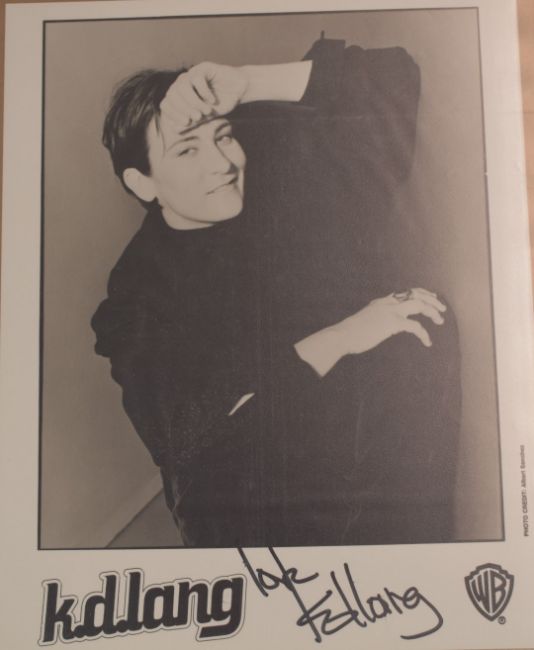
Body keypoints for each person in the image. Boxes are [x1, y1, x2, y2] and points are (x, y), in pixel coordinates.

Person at [92, 36, 461, 547]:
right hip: (245, 496)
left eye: (223, 136)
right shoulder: (137, 292)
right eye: (187, 149)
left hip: (337, 441)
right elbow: (190, 435)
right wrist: (343, 336)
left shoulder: (282, 182)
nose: (221, 163)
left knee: (424, 328)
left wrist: (248, 81)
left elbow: (394, 76)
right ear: (143, 183)